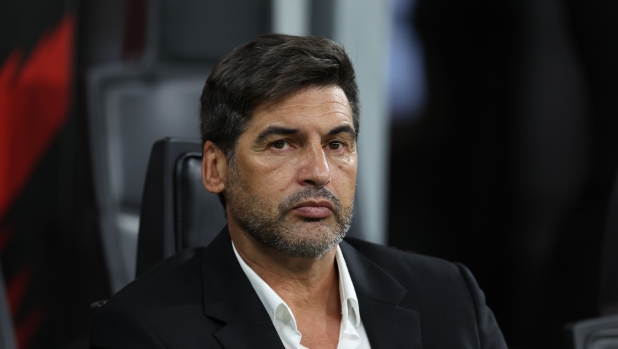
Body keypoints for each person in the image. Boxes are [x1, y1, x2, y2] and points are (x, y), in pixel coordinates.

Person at [90, 34, 507, 349]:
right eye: (282, 144)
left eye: (336, 144)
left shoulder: (450, 298)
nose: (319, 172)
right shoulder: (145, 330)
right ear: (216, 168)